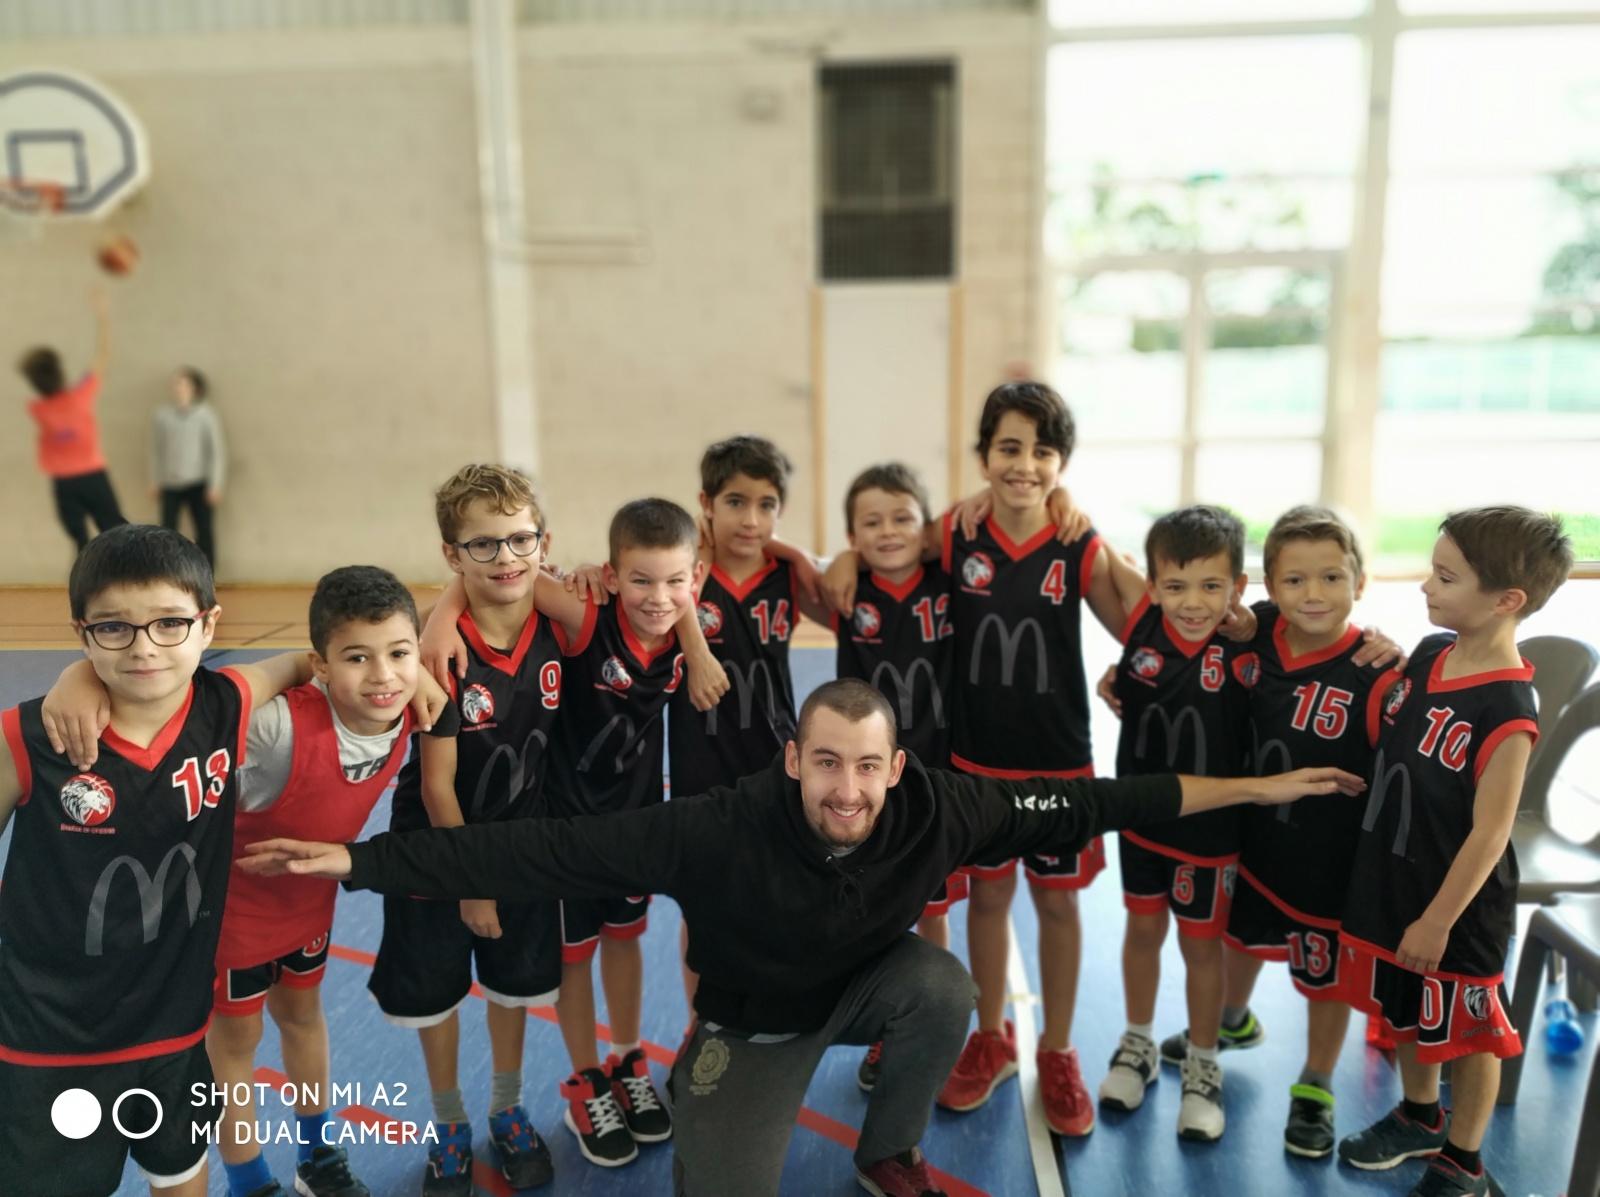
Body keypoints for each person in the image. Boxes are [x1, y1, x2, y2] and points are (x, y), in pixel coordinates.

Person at [238, 677, 1367, 1197]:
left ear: (896, 766)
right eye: (826, 762)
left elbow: (1099, 800)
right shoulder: (715, 828)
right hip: (753, 1025)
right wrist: (360, 862)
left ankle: (885, 1151)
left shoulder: (943, 806)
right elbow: (543, 851)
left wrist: (1255, 790)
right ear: (793, 759)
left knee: (944, 988)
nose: (848, 788)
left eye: (868, 766)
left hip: (867, 989)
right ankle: (709, 1099)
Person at [43, 565, 446, 1197]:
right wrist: (81, 676)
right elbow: (177, 707)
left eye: (398, 655)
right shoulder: (276, 729)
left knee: (304, 1019)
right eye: (358, 658)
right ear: (321, 665)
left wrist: (415, 667)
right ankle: (249, 1178)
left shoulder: (411, 706)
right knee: (235, 1047)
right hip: (230, 919)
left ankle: (317, 1156)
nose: (382, 675)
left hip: (306, 907)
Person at [0, 525, 315, 1197]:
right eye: (114, 627)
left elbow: (297, 663)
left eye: (170, 622)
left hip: (174, 1027)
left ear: (209, 624)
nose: (144, 646)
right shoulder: (29, 738)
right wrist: (76, 676)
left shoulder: (224, 705)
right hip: (48, 1038)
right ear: (82, 632)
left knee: (180, 1173)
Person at [420, 498, 724, 1169]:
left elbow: (678, 597)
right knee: (575, 955)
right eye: (640, 580)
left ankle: (627, 1058)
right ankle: (586, 1077)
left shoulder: (679, 629)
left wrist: (697, 644)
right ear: (612, 577)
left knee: (625, 939)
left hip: (636, 825)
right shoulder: (588, 619)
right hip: (566, 829)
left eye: (674, 582)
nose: (658, 596)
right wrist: (441, 616)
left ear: (693, 580)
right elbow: (513, 580)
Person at [1150, 506, 1402, 1159]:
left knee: (1325, 979)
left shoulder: (1378, 673)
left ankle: (1316, 1083)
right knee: (1238, 939)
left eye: (1331, 577)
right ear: (1269, 586)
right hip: (1252, 839)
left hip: (1328, 862)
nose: (1313, 593)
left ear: (1360, 581)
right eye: (1294, 580)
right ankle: (1232, 1021)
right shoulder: (1256, 634)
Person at [1335, 507, 1572, 1197]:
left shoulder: (1509, 706)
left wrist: (1438, 919)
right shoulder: (1431, 652)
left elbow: (1492, 831)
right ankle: (1419, 1115)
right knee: (1408, 1006)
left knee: (1470, 1032)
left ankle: (1464, 1160)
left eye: (1445, 577)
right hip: (1399, 878)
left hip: (1459, 907)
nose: (1425, 586)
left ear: (1506, 600)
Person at [370, 464, 570, 1195]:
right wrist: (471, 884)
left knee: (515, 985)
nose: (505, 557)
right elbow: (435, 785)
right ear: (451, 553)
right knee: (436, 991)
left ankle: (507, 1108)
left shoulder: (557, 622)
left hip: (521, 844)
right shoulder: (439, 656)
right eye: (482, 545)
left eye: (520, 539)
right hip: (438, 849)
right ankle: (450, 1120)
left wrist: (447, 600)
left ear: (544, 541)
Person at [1097, 506, 1255, 1143]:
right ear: (1154, 585)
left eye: (1212, 586)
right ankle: (1137, 1042)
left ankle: (1203, 1062)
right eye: (1176, 585)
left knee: (1200, 947)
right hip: (1141, 817)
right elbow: (1094, 544)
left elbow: (1322, 624)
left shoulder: (1253, 640)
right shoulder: (1140, 621)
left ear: (1238, 587)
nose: (1193, 602)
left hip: (1211, 833)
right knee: (1142, 930)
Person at [831, 463, 962, 1091]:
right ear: (852, 535)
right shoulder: (846, 593)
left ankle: (932, 1027)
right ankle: (887, 1026)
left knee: (934, 909)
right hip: (870, 788)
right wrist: (839, 562)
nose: (888, 531)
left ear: (927, 527)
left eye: (903, 518)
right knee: (880, 914)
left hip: (938, 782)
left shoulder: (951, 582)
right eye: (871, 522)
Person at [19, 286, 127, 551]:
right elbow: (103, 355)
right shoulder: (81, 397)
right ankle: (130, 569)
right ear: (60, 372)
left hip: (63, 482)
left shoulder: (37, 410)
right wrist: (103, 316)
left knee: (79, 540)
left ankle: (85, 575)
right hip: (92, 476)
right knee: (115, 529)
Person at [150, 367, 225, 571]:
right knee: (166, 532)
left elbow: (216, 452)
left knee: (204, 531)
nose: (178, 388)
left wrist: (215, 484)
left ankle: (207, 574)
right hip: (170, 483)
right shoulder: (162, 416)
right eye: (176, 383)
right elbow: (156, 450)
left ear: (194, 388)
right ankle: (167, 572)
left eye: (183, 383)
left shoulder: (206, 415)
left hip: (198, 483)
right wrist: (155, 479)